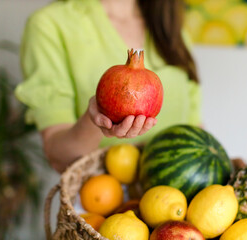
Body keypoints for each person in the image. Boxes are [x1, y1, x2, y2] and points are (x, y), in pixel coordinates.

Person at [15, 0, 202, 173]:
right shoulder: (49, 24)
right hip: (99, 201)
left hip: (177, 199)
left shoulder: (170, 26)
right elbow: (58, 157)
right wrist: (96, 118)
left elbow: (194, 128)